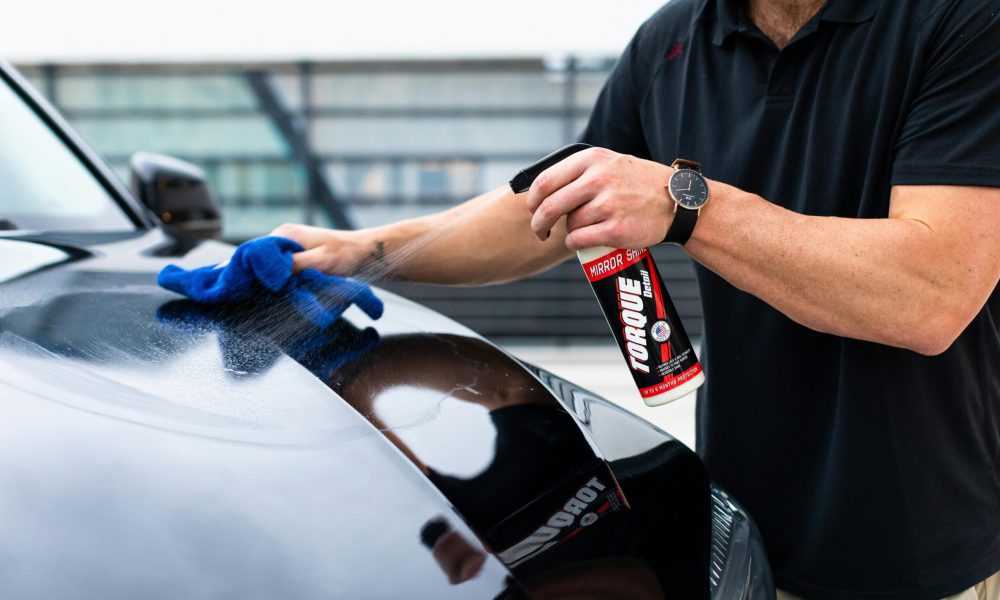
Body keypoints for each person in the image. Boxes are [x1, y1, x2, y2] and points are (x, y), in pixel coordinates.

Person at [272, 0, 1000, 598]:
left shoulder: (965, 22)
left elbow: (929, 296)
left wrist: (687, 206)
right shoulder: (673, 40)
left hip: (927, 554)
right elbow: (546, 210)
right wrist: (361, 252)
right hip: (741, 541)